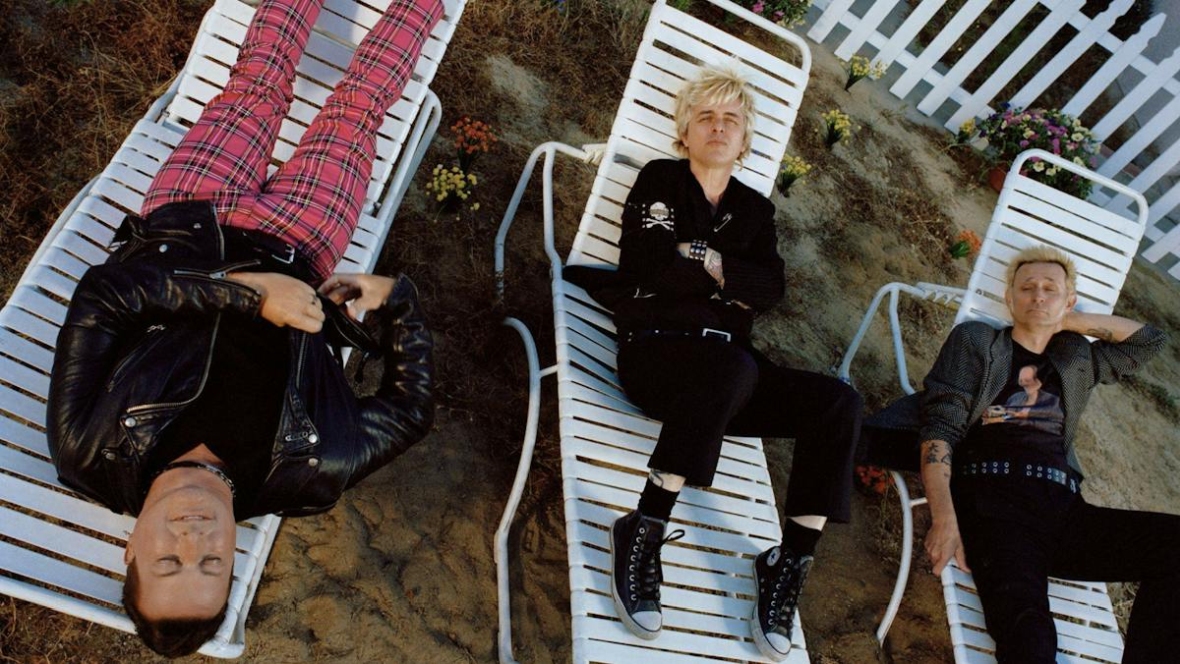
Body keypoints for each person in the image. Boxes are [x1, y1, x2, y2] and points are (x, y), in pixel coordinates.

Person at [46, 0, 441, 656]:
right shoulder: (309, 473)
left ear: (131, 550)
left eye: (168, 561)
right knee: (361, 106)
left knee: (261, 77)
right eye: (212, 564)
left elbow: (104, 297)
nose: (194, 539)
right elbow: (410, 414)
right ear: (234, 560)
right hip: (304, 243)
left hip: (190, 216)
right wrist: (397, 302)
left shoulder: (84, 447)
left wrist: (248, 297)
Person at [594, 65, 862, 661]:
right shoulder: (661, 180)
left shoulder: (754, 210)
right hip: (657, 355)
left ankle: (787, 561)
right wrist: (727, 280)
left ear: (745, 139)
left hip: (730, 372)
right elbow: (648, 265)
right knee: (731, 366)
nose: (718, 128)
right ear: (685, 131)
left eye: (730, 120)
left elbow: (770, 290)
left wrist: (702, 259)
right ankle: (644, 526)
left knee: (837, 402)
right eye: (706, 117)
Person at [868, 245, 1177, 662]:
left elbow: (1149, 341)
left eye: (1051, 289)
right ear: (1010, 299)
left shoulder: (1075, 356)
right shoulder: (977, 340)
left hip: (1065, 510)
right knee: (1029, 634)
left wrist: (1067, 321)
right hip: (996, 506)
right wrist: (945, 519)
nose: (1038, 295)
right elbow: (940, 429)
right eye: (1027, 287)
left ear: (1069, 300)